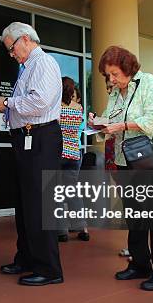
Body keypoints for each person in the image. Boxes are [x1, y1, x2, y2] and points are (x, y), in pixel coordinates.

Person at [90, 45, 153, 291]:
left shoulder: (148, 82)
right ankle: (140, 265)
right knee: (136, 213)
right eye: (108, 75)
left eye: (115, 74)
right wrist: (97, 124)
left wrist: (120, 126)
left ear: (128, 67)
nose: (111, 79)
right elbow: (109, 119)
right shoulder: (116, 92)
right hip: (126, 157)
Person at [0, 22, 64, 286]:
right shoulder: (27, 67)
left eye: (11, 48)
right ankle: (27, 258)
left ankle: (49, 268)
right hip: (27, 138)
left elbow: (40, 101)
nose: (11, 54)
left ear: (24, 40)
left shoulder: (43, 63)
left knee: (39, 205)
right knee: (24, 203)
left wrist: (7, 102)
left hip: (41, 137)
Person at [57, 77, 90, 242]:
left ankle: (61, 231)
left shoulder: (56, 108)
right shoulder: (79, 109)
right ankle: (82, 227)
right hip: (74, 154)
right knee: (73, 192)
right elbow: (82, 128)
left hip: (57, 154)